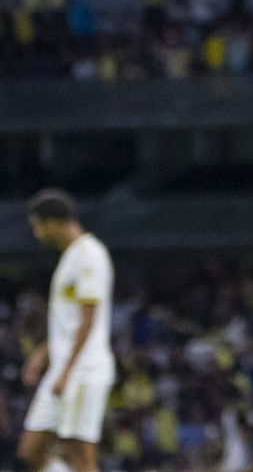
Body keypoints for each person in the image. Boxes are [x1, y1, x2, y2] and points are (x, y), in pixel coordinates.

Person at [19, 189, 116, 472]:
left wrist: (67, 371)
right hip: (62, 369)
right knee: (31, 452)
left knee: (81, 456)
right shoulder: (70, 257)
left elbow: (89, 318)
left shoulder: (90, 254)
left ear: (52, 222)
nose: (37, 233)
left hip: (84, 370)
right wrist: (43, 354)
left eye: (38, 225)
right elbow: (70, 322)